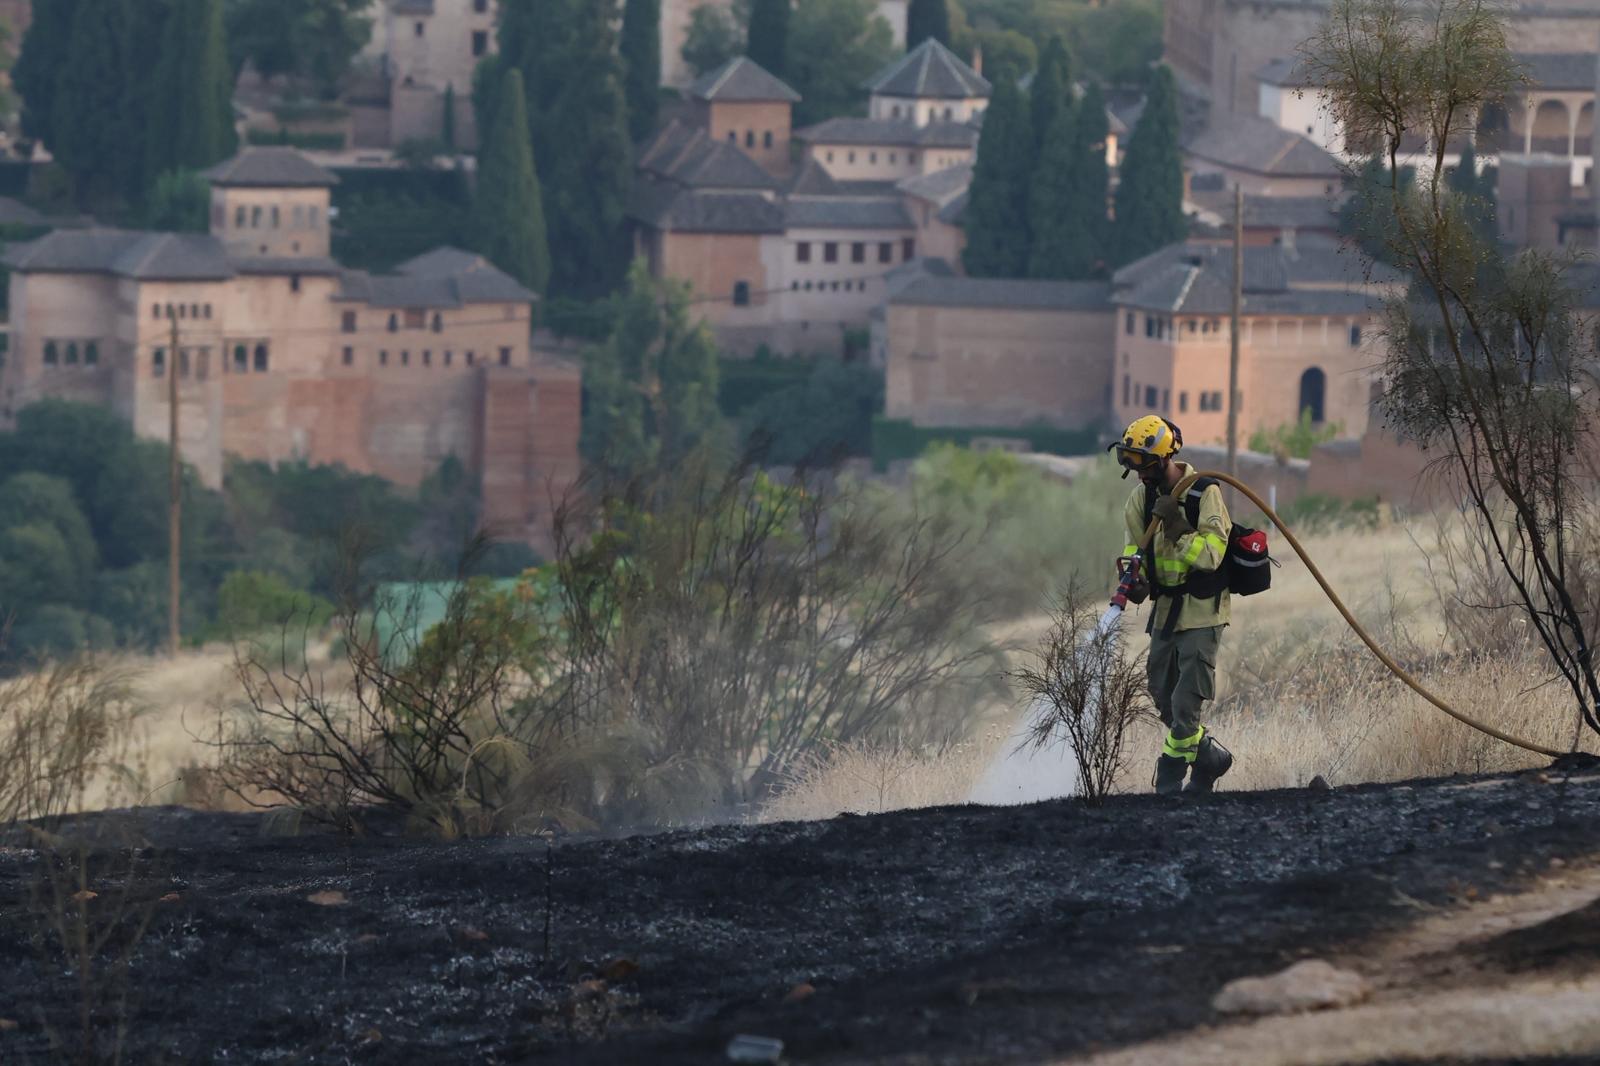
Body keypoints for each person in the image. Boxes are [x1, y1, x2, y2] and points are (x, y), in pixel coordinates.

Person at [1109, 415, 1235, 795]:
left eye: (1143, 464)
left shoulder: (1203, 493)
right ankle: (1210, 759)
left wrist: (1179, 527)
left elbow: (1213, 554)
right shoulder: (1140, 500)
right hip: (1164, 613)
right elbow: (1135, 549)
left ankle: (1169, 776)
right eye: (1130, 463)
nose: (1137, 473)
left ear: (1164, 458)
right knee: (1162, 695)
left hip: (1201, 611)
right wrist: (1135, 581)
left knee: (1184, 705)